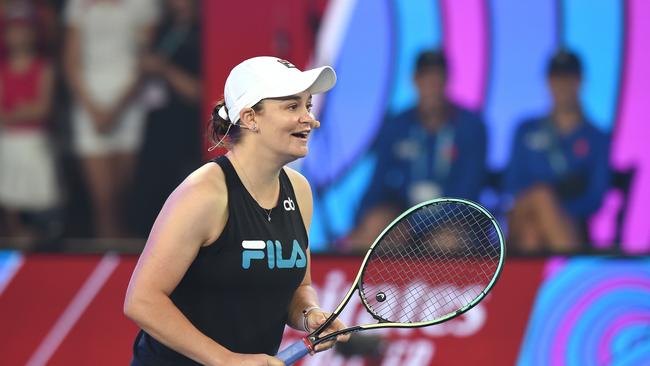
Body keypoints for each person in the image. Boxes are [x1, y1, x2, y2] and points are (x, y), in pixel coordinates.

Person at [124, 56, 349, 365]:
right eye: (292, 106)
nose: (310, 119)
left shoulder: (299, 191)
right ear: (250, 118)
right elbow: (142, 301)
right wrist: (226, 360)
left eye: (308, 106)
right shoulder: (203, 193)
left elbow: (299, 286)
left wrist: (310, 314)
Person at [347, 50, 487, 249]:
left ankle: (427, 281)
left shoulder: (470, 127)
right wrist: (360, 222)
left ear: (447, 81)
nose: (432, 85)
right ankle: (370, 280)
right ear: (415, 80)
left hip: (450, 222)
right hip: (402, 216)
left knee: (446, 242)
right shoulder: (396, 126)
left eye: (438, 78)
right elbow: (377, 184)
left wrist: (414, 225)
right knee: (372, 227)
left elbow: (468, 196)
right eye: (426, 77)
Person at [63, 0, 158, 237]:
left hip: (129, 104)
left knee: (123, 193)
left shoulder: (144, 5)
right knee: (102, 198)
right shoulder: (77, 5)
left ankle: (124, 261)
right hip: (88, 104)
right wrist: (93, 108)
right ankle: (107, 255)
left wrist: (117, 109)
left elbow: (144, 59)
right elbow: (70, 61)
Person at [504, 50, 610, 254]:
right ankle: (570, 276)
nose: (562, 85)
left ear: (580, 81)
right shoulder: (526, 129)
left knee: (532, 232)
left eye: (569, 78)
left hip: (570, 224)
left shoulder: (597, 138)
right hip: (522, 214)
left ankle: (530, 286)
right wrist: (546, 199)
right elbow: (511, 184)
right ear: (548, 82)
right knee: (541, 197)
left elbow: (596, 197)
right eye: (556, 78)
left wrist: (556, 210)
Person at [128, 0, 202, 237]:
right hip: (155, 129)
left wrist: (164, 70)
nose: (178, 4)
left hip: (188, 135)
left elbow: (201, 92)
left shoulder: (203, 36)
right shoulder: (163, 30)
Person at [0, 8, 59, 244]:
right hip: (9, 142)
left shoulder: (44, 68)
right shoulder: (3, 70)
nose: (19, 36)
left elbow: (43, 109)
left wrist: (18, 113)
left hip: (36, 142)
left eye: (24, 30)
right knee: (11, 198)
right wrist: (26, 111)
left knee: (41, 199)